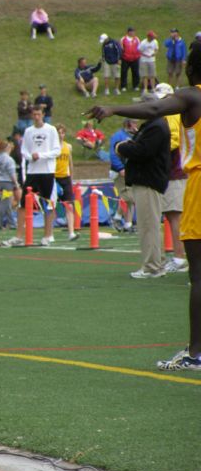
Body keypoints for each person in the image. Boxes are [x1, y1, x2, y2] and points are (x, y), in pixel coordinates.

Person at [88, 46, 201, 370]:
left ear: (192, 68)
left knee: (199, 275)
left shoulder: (193, 96)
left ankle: (195, 353)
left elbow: (155, 108)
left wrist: (111, 108)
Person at [114, 102, 171, 278]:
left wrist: (121, 147)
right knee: (150, 224)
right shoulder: (154, 125)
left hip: (148, 181)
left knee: (148, 225)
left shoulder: (156, 127)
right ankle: (157, 262)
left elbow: (143, 151)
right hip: (149, 180)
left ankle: (152, 266)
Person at [4, 107, 61, 246]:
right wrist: (31, 157)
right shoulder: (29, 131)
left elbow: (56, 150)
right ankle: (19, 236)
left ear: (43, 115)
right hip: (32, 172)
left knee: (47, 204)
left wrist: (41, 155)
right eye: (34, 114)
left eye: (38, 114)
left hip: (47, 171)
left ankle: (47, 235)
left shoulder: (51, 129)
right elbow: (24, 151)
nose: (36, 117)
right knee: (23, 204)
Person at [155, 83, 189, 274]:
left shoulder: (171, 115)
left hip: (174, 171)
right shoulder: (178, 113)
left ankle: (179, 257)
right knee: (175, 215)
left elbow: (173, 141)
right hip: (178, 170)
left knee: (175, 215)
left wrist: (154, 150)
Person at [108, 118, 138, 232]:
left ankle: (128, 224)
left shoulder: (134, 135)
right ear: (129, 123)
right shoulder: (118, 136)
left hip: (131, 169)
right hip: (120, 170)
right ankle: (116, 217)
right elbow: (113, 154)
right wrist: (120, 168)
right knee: (128, 196)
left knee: (130, 198)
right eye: (134, 122)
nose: (136, 124)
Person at [54, 123, 79, 241]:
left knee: (69, 205)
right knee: (50, 205)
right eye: (58, 132)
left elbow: (70, 162)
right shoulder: (52, 147)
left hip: (65, 177)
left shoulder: (68, 146)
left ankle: (71, 232)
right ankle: (49, 234)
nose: (61, 134)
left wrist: (71, 178)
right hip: (54, 177)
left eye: (62, 132)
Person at [0, 140, 19, 230]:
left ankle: (12, 223)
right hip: (8, 183)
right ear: (7, 148)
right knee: (4, 204)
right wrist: (16, 183)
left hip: (1, 182)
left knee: (6, 203)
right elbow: (12, 173)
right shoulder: (9, 159)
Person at [120, 27, 141, 93]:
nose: (132, 33)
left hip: (135, 58)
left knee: (135, 72)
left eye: (133, 31)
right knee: (124, 72)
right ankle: (123, 86)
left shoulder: (137, 39)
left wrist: (138, 56)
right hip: (125, 58)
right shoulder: (123, 39)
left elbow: (139, 47)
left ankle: (135, 85)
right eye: (131, 31)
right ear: (128, 32)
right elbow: (121, 48)